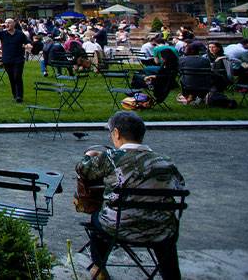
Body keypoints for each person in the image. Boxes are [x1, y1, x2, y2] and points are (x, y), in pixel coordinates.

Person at [77, 111, 185, 280]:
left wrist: (88, 156)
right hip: (160, 230)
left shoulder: (112, 157)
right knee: (163, 223)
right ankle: (171, 275)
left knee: (99, 217)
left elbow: (83, 169)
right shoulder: (165, 161)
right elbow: (179, 185)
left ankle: (99, 267)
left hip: (120, 227)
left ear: (116, 133)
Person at [0, 18, 30, 103]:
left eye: (9, 23)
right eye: (6, 23)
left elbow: (27, 42)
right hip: (7, 59)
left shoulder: (20, 34)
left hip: (18, 59)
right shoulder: (3, 33)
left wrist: (28, 46)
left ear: (14, 24)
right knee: (11, 78)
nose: (7, 24)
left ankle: (19, 96)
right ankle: (15, 95)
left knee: (17, 77)